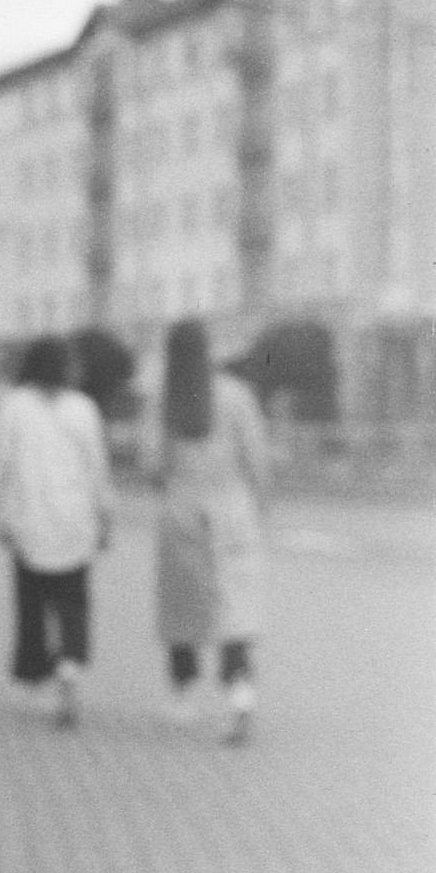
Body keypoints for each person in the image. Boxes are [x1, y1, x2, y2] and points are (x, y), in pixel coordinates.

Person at [0, 335, 115, 728]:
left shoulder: (13, 407)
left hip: (29, 521)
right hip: (74, 522)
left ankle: (33, 678)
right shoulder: (83, 409)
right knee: (73, 604)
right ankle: (70, 669)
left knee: (32, 605)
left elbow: (1, 466)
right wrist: (106, 516)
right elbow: (98, 468)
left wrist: (1, 517)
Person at [153, 318, 270, 745]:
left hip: (183, 512)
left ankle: (184, 695)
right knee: (233, 610)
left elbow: (153, 464)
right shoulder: (236, 395)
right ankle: (240, 694)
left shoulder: (166, 398)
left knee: (181, 611)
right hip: (232, 513)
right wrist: (262, 506)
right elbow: (257, 459)